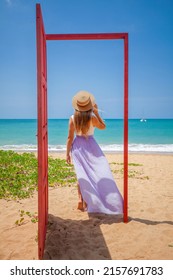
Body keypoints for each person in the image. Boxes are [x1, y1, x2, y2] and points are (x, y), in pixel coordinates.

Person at [66, 90, 123, 214]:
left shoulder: (72, 118)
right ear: (89, 105)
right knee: (96, 173)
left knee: (81, 175)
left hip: (78, 147)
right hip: (91, 146)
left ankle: (81, 200)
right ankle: (90, 200)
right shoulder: (92, 118)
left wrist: (67, 153)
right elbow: (103, 126)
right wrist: (96, 113)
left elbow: (70, 138)